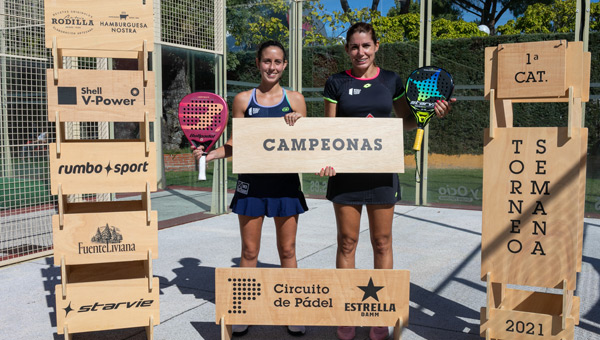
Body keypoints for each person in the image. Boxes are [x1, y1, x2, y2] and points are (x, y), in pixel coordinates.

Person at [318, 22, 455, 340]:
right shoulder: (335, 82)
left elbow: (406, 121)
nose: (360, 52)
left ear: (376, 46)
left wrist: (431, 112)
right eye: (354, 46)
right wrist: (324, 161)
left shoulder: (392, 80)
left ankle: (379, 313)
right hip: (345, 178)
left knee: (381, 243)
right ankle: (347, 311)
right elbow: (328, 130)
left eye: (366, 45)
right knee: (347, 243)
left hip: (382, 174)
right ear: (347, 50)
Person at [192, 40, 308, 337]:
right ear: (258, 63)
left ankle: (293, 309)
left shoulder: (295, 99)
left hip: (284, 184)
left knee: (288, 250)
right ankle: (243, 309)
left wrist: (299, 122)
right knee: (249, 250)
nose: (272, 67)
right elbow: (235, 145)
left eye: (278, 62)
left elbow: (307, 144)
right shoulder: (244, 100)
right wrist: (209, 154)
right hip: (252, 183)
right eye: (267, 61)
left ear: (284, 65)